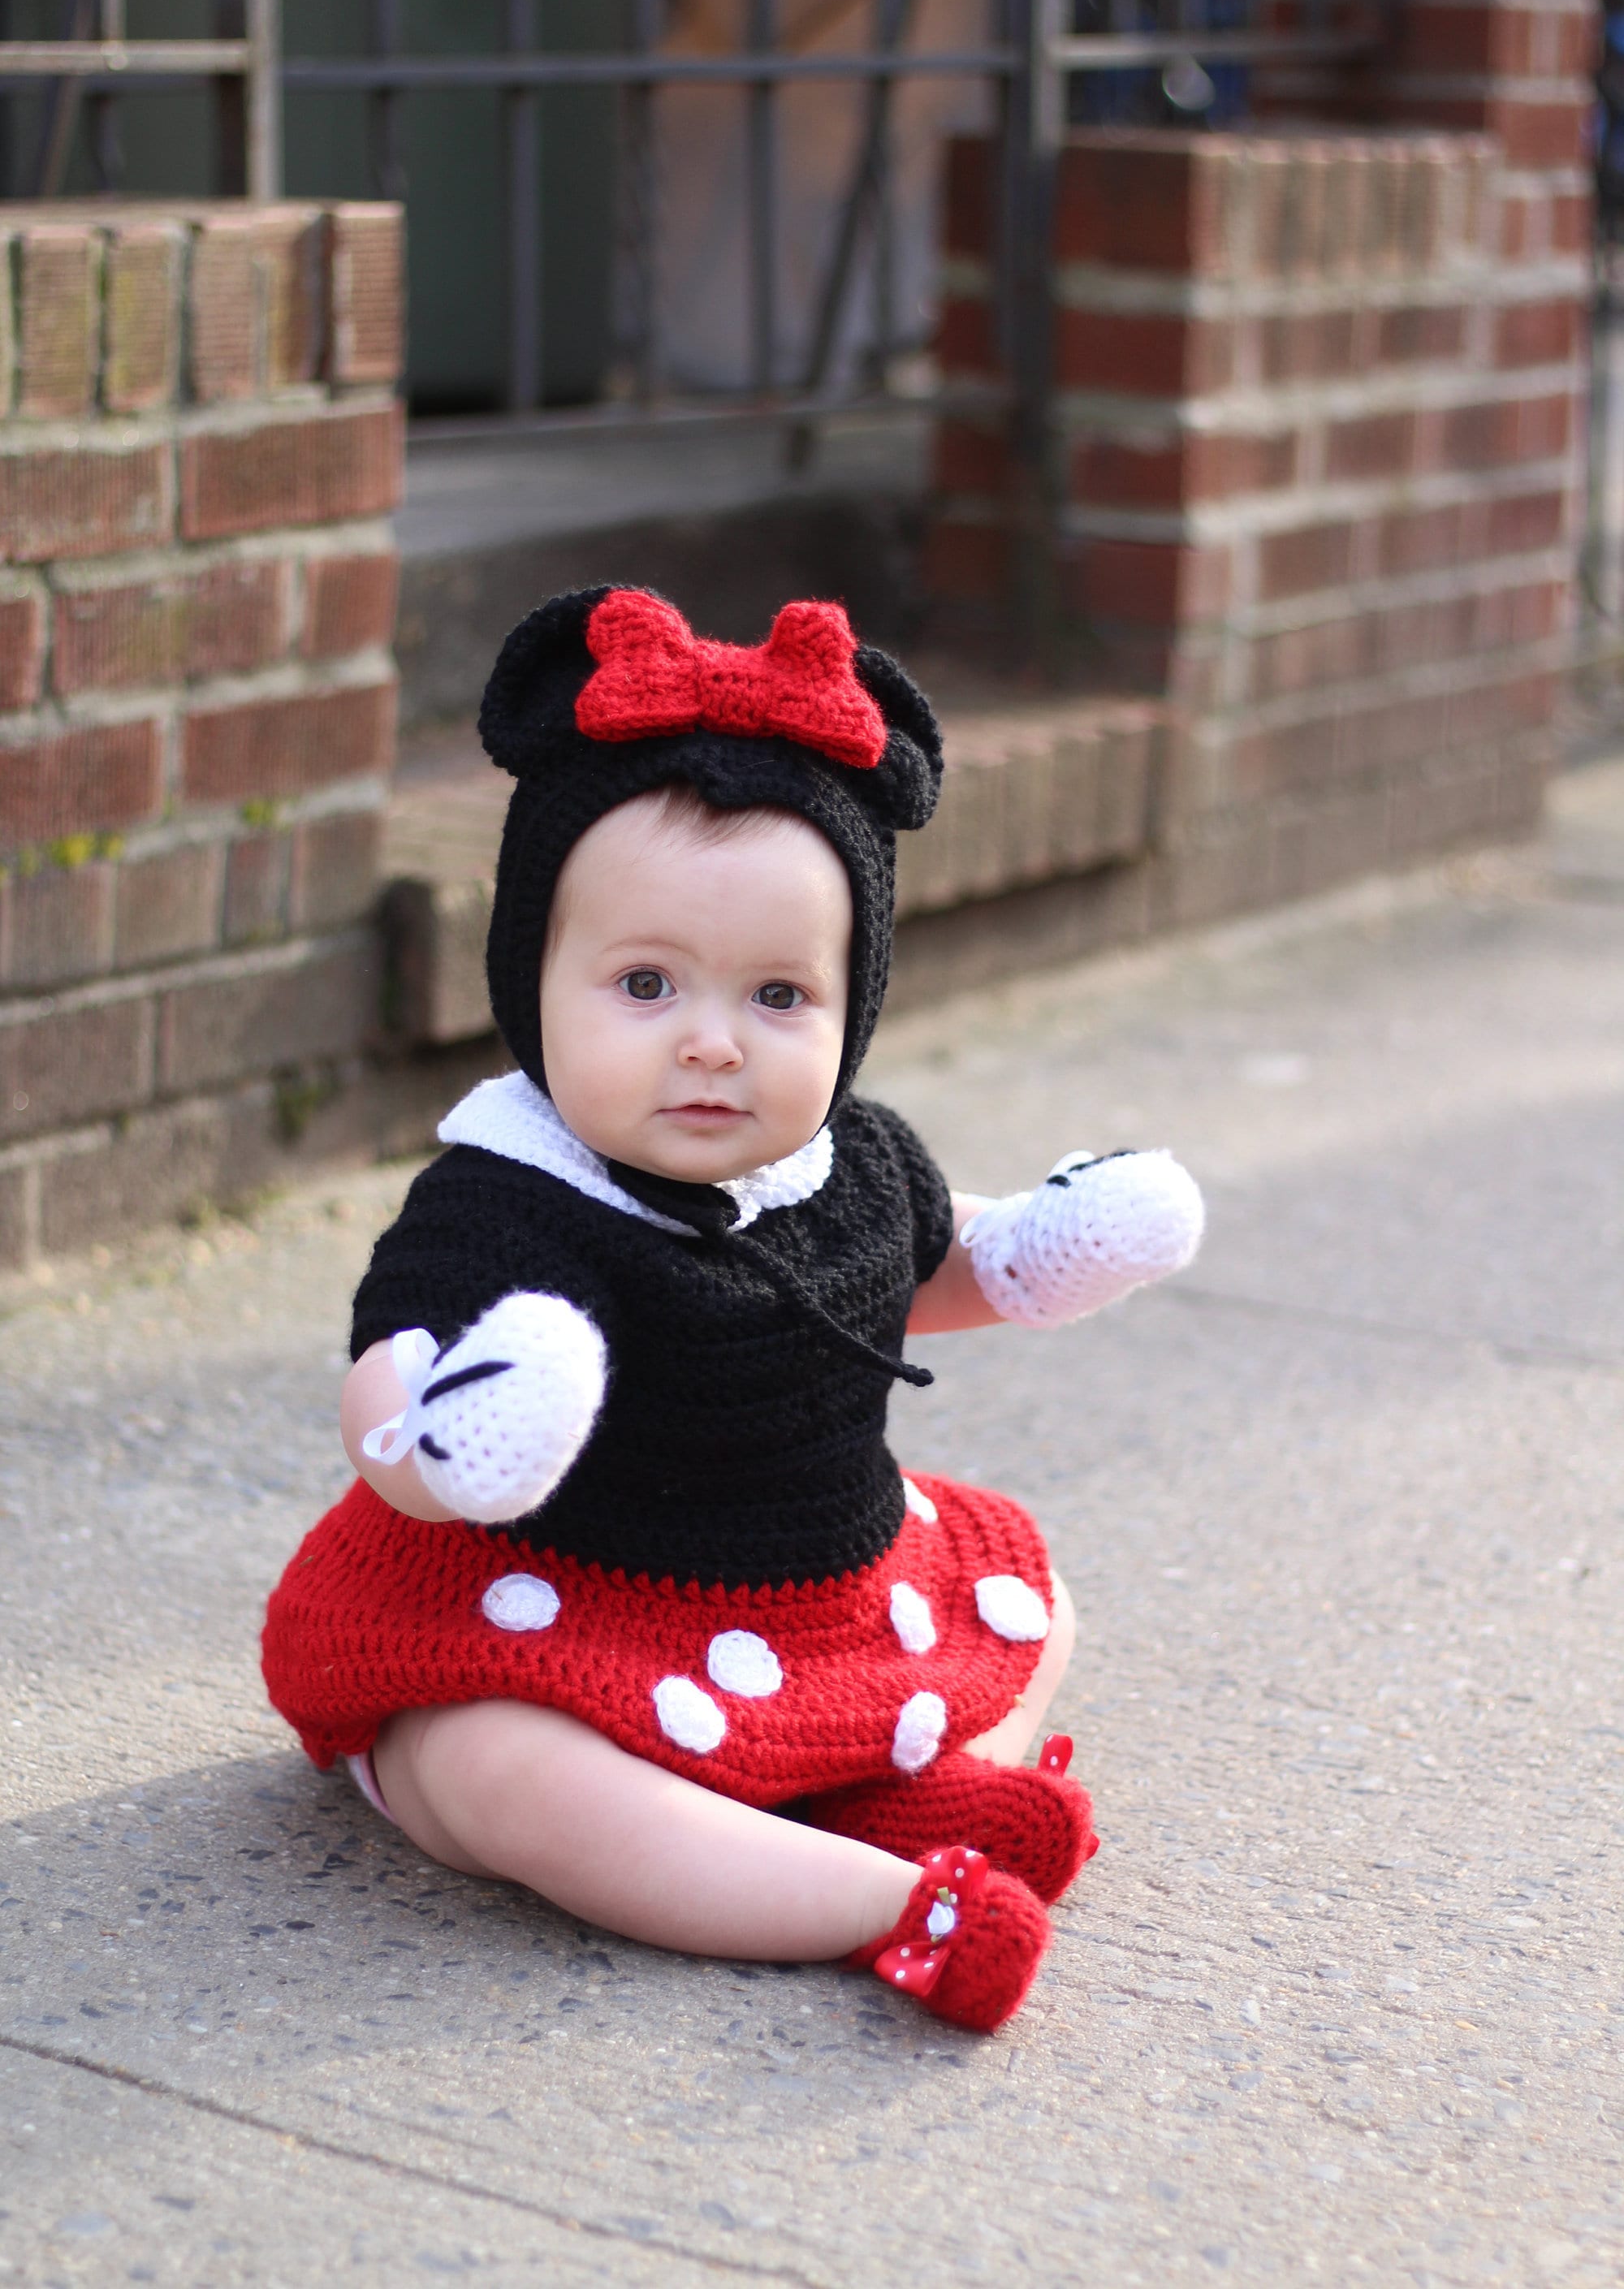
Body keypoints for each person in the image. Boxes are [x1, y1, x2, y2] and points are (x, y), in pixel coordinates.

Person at [262, 586, 1203, 2032]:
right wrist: (445, 1442)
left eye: (779, 996)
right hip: (542, 1615)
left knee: (1031, 1596)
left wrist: (1037, 1257)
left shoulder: (850, 1163)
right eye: (645, 984)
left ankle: (926, 1792)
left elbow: (914, 1283)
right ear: (534, 981)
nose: (712, 1042)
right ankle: (892, 1898)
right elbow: (386, 1383)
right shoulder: (506, 1200)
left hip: (810, 1596)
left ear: (854, 1006)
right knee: (497, 1780)